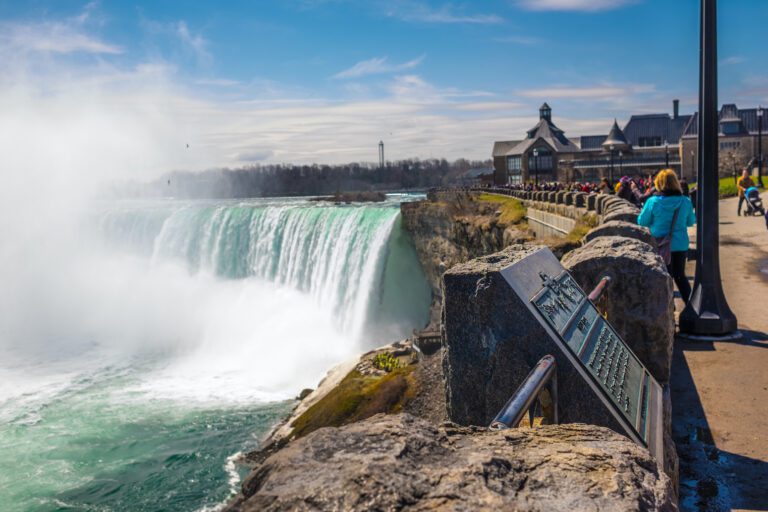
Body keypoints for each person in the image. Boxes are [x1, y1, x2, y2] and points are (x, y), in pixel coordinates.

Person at [637, 169, 696, 304]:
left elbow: (642, 221)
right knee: (680, 276)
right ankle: (691, 307)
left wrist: (655, 221)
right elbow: (691, 222)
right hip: (680, 244)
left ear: (658, 183)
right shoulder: (685, 201)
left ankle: (669, 308)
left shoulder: (653, 201)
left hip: (661, 245)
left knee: (664, 277)